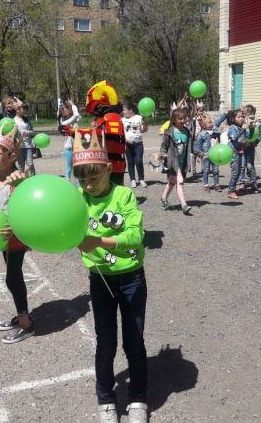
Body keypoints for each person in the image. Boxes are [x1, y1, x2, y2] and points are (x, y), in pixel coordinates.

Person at [73, 126, 148, 423]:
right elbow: (50, 216)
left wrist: (100, 241)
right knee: (105, 344)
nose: (89, 185)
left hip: (132, 279)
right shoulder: (77, 198)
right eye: (82, 179)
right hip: (99, 280)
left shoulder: (124, 195)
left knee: (134, 342)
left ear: (108, 168)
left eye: (94, 177)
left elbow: (136, 236)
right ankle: (105, 399)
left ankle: (138, 398)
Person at [0, 125, 35, 343]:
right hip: (2, 239)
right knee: (13, 277)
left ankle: (26, 324)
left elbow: (28, 209)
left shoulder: (19, 179)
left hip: (16, 239)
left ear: (12, 156)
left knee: (12, 278)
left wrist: (14, 227)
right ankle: (21, 314)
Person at [82, 80, 126, 186]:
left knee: (114, 192)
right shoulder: (102, 118)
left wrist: (77, 132)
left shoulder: (112, 117)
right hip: (105, 163)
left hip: (113, 164)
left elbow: (112, 135)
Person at [160, 108, 191, 214]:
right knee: (180, 181)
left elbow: (191, 147)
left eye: (184, 118)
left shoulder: (187, 132)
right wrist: (163, 154)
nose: (183, 120)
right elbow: (164, 146)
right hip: (172, 161)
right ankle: (184, 205)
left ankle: (164, 198)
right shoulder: (169, 132)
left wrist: (202, 154)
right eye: (180, 119)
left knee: (172, 181)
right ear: (174, 119)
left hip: (183, 162)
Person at [122, 103, 148, 188]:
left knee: (139, 161)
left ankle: (141, 179)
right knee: (130, 162)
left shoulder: (139, 118)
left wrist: (145, 123)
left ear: (131, 110)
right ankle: (132, 180)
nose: (123, 112)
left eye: (124, 110)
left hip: (138, 144)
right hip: (128, 145)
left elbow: (144, 130)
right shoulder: (122, 120)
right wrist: (126, 140)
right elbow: (121, 133)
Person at [193, 116, 221, 192]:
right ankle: (206, 185)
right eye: (209, 122)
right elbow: (198, 146)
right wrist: (200, 155)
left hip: (215, 155)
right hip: (206, 155)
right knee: (206, 170)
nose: (211, 124)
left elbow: (219, 142)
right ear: (204, 125)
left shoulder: (216, 132)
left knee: (216, 170)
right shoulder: (202, 134)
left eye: (211, 122)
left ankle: (217, 184)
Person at [13, 98, 36, 177]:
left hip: (28, 146)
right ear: (17, 110)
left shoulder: (27, 120)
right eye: (23, 108)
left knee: (30, 164)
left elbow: (33, 132)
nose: (24, 110)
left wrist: (27, 132)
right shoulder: (13, 121)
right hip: (18, 147)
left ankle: (33, 179)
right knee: (20, 165)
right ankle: (21, 181)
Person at [59, 100, 81, 181]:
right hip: (68, 148)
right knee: (69, 168)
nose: (64, 110)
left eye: (66, 109)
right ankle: (66, 184)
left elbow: (78, 116)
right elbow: (76, 115)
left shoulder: (74, 120)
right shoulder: (64, 122)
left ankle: (78, 186)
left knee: (77, 167)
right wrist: (73, 105)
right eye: (64, 109)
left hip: (77, 148)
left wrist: (72, 106)